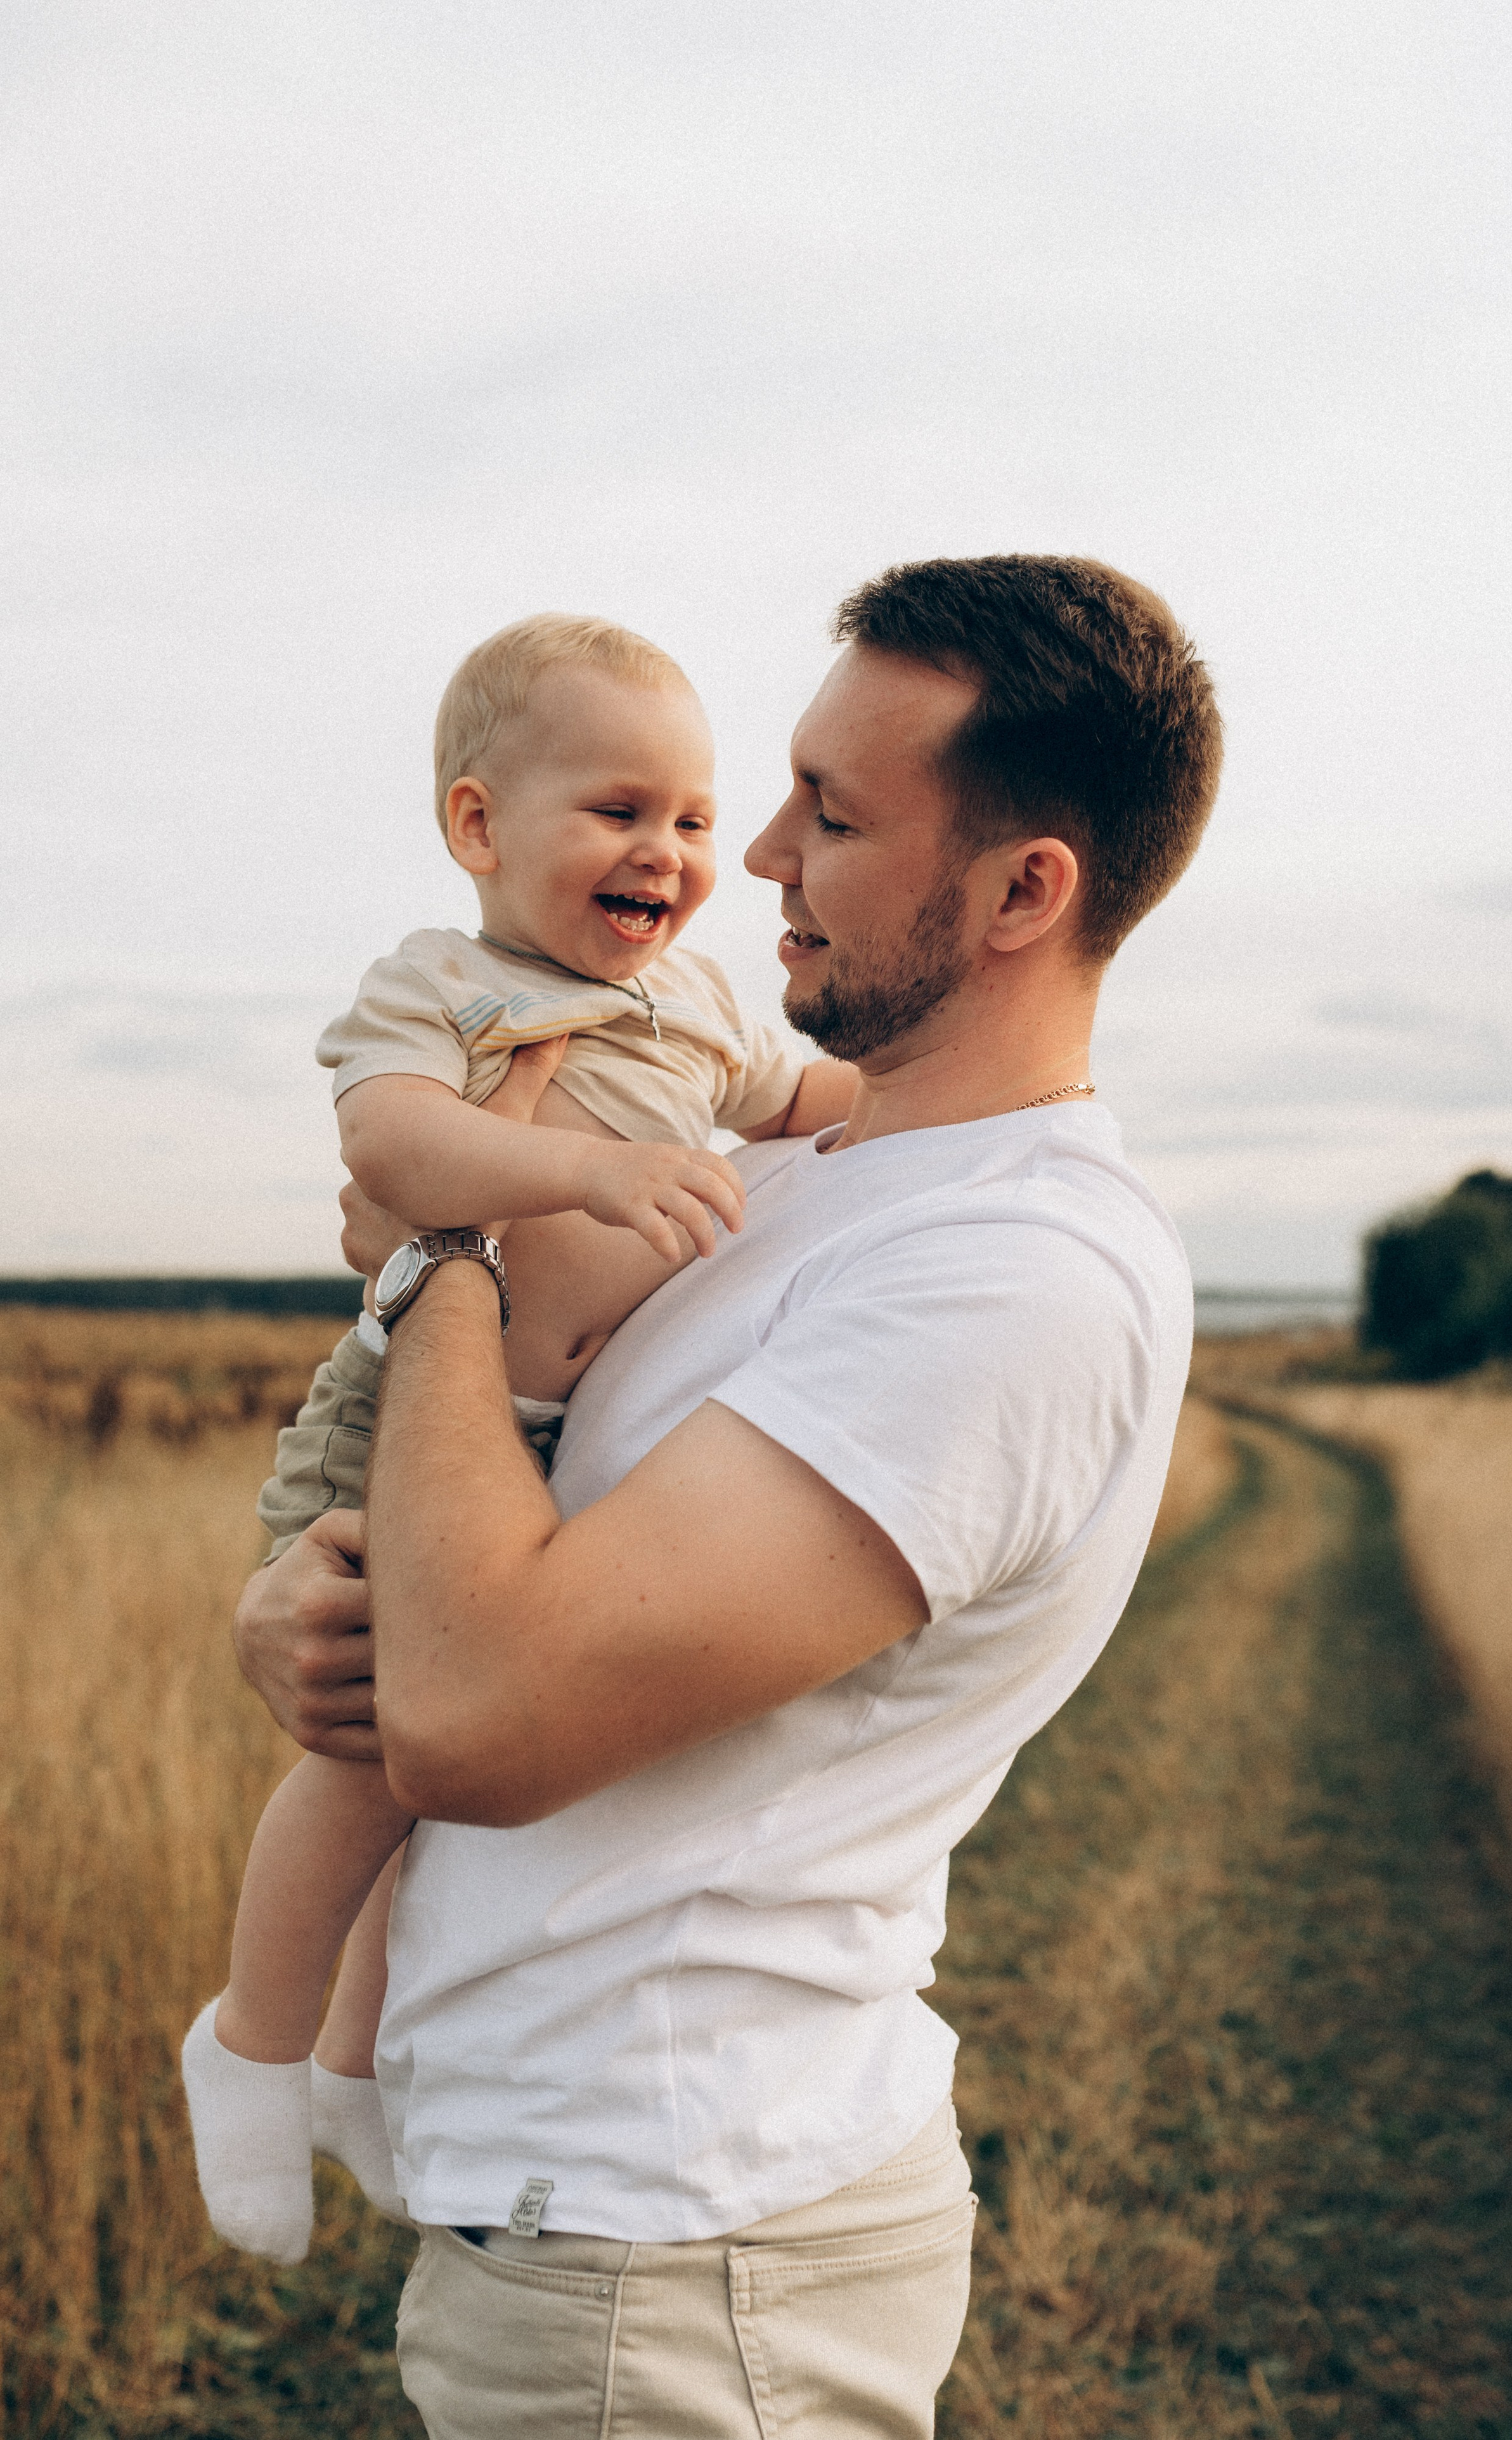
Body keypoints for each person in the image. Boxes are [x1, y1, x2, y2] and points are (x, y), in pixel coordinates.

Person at [232, 554, 1223, 2439]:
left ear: (1027, 892)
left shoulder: (1014, 1271)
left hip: (674, 2266)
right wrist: (301, 1610)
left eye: (829, 813)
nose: (752, 854)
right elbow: (461, 1570)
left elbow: (478, 1717)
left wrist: (443, 1235)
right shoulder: (790, 1185)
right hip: (595, 2219)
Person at [183, 611, 856, 2264]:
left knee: (446, 1783)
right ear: (480, 825)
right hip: (408, 1416)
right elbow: (392, 1139)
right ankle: (251, 2051)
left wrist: (963, 1108)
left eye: (695, 820)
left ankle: (356, 2068)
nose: (673, 852)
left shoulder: (701, 1001)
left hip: (551, 1446)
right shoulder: (449, 984)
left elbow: (818, 1098)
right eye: (621, 811)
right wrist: (579, 1173)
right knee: (364, 1762)